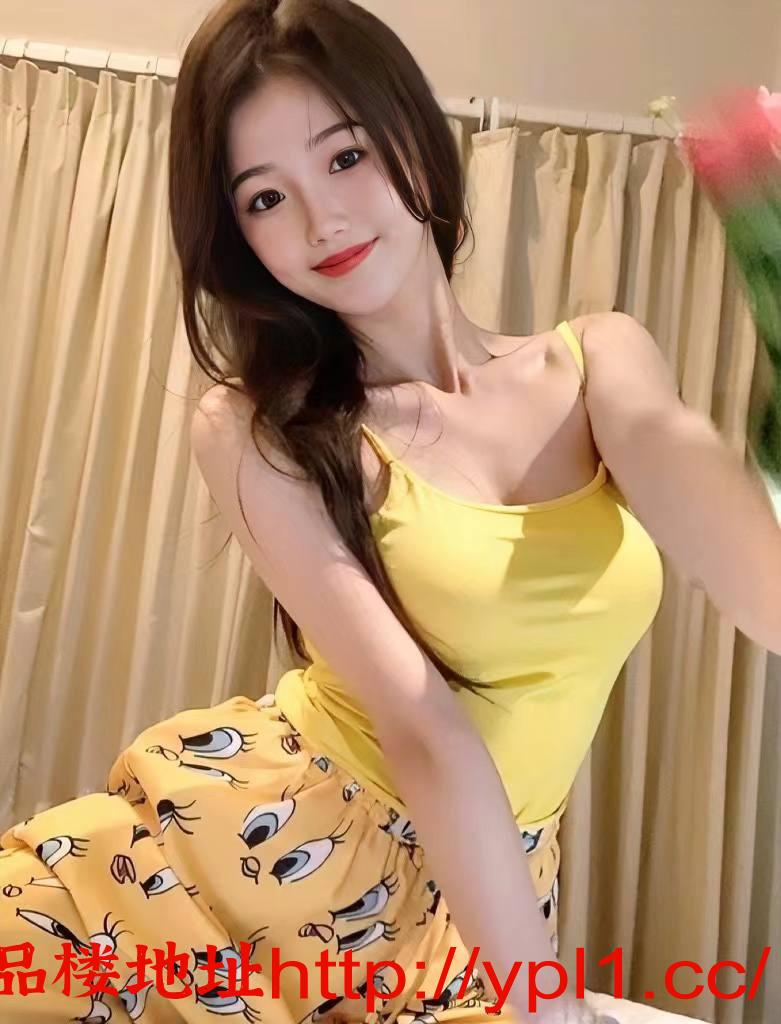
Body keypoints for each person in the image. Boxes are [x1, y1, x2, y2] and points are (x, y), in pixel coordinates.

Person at [4, 1, 780, 1022]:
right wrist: (545, 1004)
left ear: (412, 136)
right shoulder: (256, 426)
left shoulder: (600, 358)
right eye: (265, 196)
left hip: (481, 883)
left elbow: (753, 578)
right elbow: (425, 729)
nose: (320, 220)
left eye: (345, 156)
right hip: (270, 854)